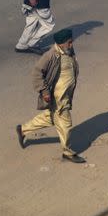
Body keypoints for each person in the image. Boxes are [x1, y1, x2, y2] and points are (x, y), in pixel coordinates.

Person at [16, 29, 85, 163]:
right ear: (60, 44)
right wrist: (45, 92)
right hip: (58, 97)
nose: (71, 45)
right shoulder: (50, 55)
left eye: (72, 42)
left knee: (51, 118)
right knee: (65, 123)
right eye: (69, 43)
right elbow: (37, 73)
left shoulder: (68, 51)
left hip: (66, 94)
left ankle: (22, 129)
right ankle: (68, 152)